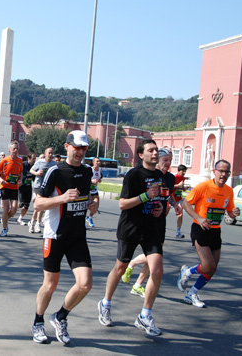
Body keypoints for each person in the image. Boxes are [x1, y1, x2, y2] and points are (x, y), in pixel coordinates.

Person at [31, 130, 99, 345]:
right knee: (50, 285)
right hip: (55, 236)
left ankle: (60, 317)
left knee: (85, 284)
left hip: (77, 236)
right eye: (76, 147)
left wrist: (93, 204)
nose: (80, 152)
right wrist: (61, 198)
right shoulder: (55, 171)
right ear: (67, 146)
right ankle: (38, 322)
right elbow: (38, 203)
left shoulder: (88, 171)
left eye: (84, 148)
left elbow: (90, 197)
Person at [97, 139, 165, 336]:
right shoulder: (133, 175)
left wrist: (159, 208)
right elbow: (123, 204)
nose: (155, 153)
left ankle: (145, 316)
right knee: (120, 268)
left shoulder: (159, 175)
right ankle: (106, 303)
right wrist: (145, 196)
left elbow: (157, 200)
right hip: (130, 228)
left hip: (151, 228)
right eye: (150, 150)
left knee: (158, 270)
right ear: (141, 155)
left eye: (156, 150)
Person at [177, 160, 240, 308]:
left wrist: (234, 213)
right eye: (221, 171)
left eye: (227, 172)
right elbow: (186, 202)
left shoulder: (229, 191)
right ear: (214, 171)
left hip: (215, 230)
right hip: (200, 229)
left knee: (212, 268)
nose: (223, 175)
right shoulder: (204, 187)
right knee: (207, 265)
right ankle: (188, 272)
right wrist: (198, 218)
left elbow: (230, 212)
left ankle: (191, 293)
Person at [121, 149, 182, 298]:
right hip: (144, 220)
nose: (168, 163)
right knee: (154, 255)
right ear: (157, 160)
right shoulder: (148, 176)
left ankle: (137, 284)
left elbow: (167, 196)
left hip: (160, 220)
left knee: (156, 255)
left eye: (170, 160)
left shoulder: (170, 178)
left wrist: (174, 204)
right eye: (165, 160)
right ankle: (132, 264)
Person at [0, 141, 23, 237]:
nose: (15, 150)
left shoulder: (20, 161)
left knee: (14, 209)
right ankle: (4, 229)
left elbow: (21, 173)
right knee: (6, 208)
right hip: (5, 186)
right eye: (13, 148)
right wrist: (0, 180)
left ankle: (4, 219)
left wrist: (20, 180)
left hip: (14, 187)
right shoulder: (4, 161)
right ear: (9, 150)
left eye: (17, 149)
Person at [30, 147, 57, 233]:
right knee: (39, 206)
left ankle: (33, 223)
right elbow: (31, 170)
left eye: (51, 153)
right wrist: (37, 173)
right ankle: (36, 223)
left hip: (48, 187)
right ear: (45, 154)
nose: (50, 155)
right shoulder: (39, 162)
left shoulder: (54, 164)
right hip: (38, 186)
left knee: (40, 207)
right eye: (49, 153)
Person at [17, 153, 36, 227]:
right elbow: (21, 174)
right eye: (33, 158)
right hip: (22, 186)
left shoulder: (34, 166)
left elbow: (34, 177)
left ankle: (20, 218)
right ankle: (11, 207)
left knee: (27, 205)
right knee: (21, 204)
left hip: (29, 187)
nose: (34, 160)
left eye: (35, 159)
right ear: (28, 158)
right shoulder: (24, 164)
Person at [87, 157, 103, 228]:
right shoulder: (90, 170)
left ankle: (89, 217)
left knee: (96, 207)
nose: (98, 163)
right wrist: (92, 181)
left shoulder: (100, 169)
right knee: (87, 206)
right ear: (93, 163)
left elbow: (99, 177)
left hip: (95, 190)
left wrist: (99, 180)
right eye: (97, 161)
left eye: (99, 161)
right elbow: (85, 179)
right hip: (88, 191)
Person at [173, 164, 188, 239]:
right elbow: (170, 186)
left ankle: (178, 232)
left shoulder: (183, 178)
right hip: (171, 198)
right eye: (183, 171)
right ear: (178, 171)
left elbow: (181, 187)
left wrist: (184, 188)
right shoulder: (174, 177)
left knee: (180, 214)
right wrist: (178, 185)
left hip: (178, 198)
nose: (184, 173)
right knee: (164, 214)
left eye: (185, 171)